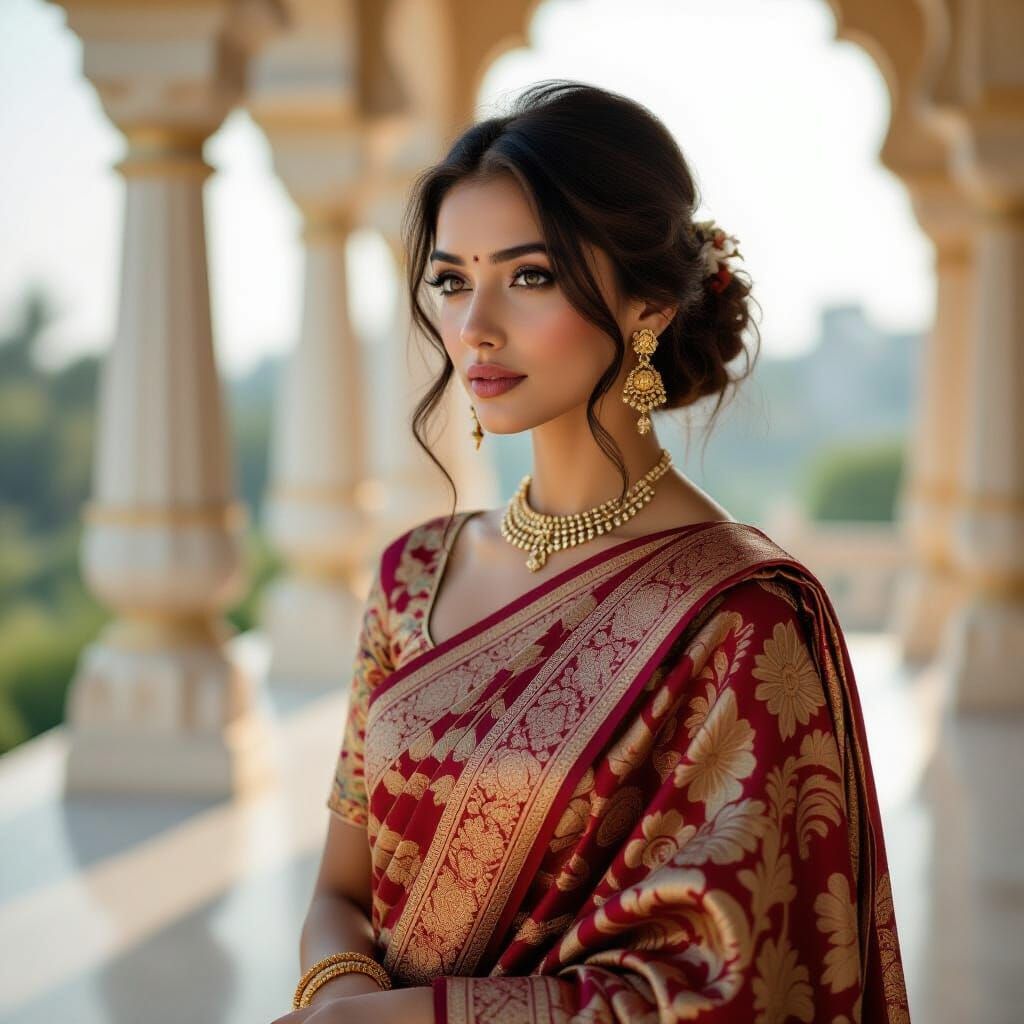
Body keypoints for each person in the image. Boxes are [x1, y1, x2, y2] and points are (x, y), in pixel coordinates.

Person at [274, 80, 910, 1024]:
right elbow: (340, 893)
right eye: (452, 280)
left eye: (529, 277)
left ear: (647, 306)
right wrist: (341, 995)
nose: (474, 326)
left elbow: (726, 992)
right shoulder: (413, 576)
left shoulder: (741, 620)